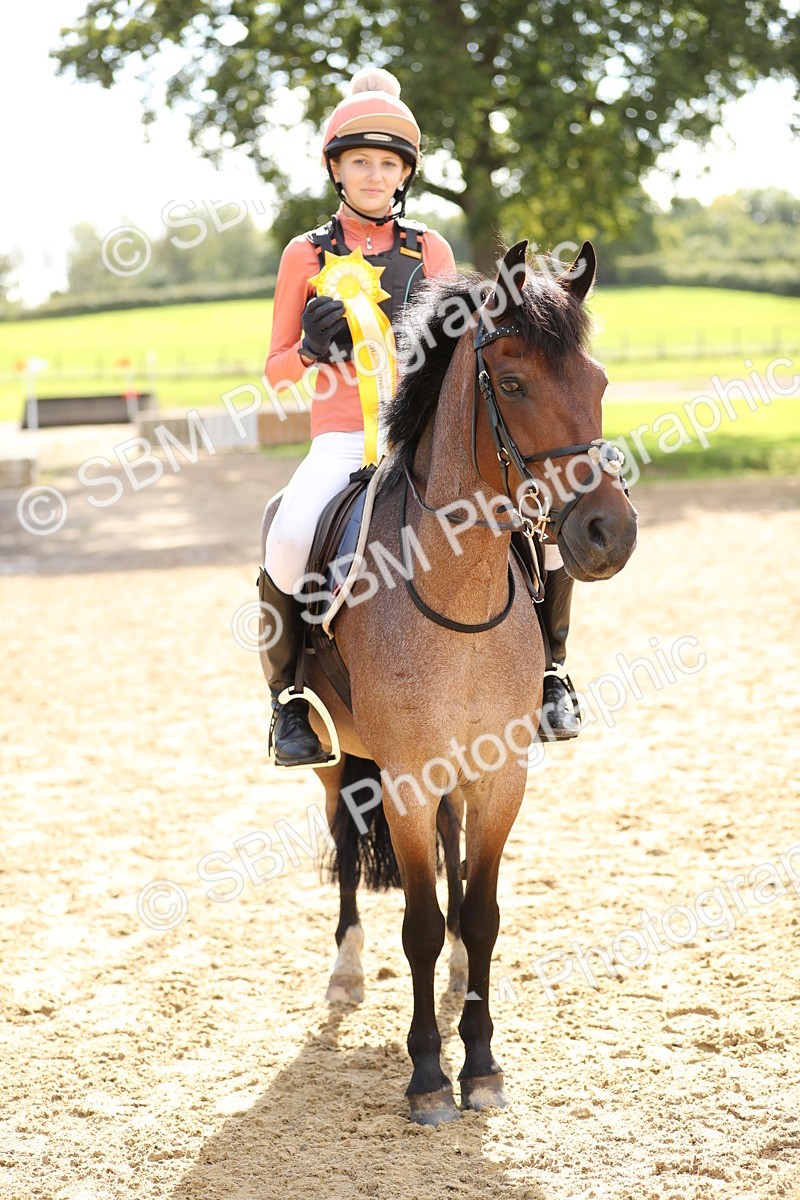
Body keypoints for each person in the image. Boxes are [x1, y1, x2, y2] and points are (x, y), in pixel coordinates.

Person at [259, 66, 457, 766]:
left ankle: (550, 671)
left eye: (388, 164)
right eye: (361, 162)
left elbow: (453, 353)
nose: (375, 176)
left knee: (527, 520)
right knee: (288, 539)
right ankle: (289, 702)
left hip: (422, 436)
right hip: (343, 439)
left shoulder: (429, 250)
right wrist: (309, 351)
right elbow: (275, 369)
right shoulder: (306, 253)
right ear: (336, 169)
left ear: (405, 175)